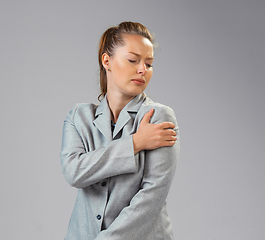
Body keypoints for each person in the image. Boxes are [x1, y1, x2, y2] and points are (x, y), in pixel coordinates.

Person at [60, 21, 180, 240]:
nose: (143, 69)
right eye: (133, 60)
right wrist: (134, 143)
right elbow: (74, 172)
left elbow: (151, 196)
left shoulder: (159, 117)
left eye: (149, 64)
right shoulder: (80, 117)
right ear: (107, 61)